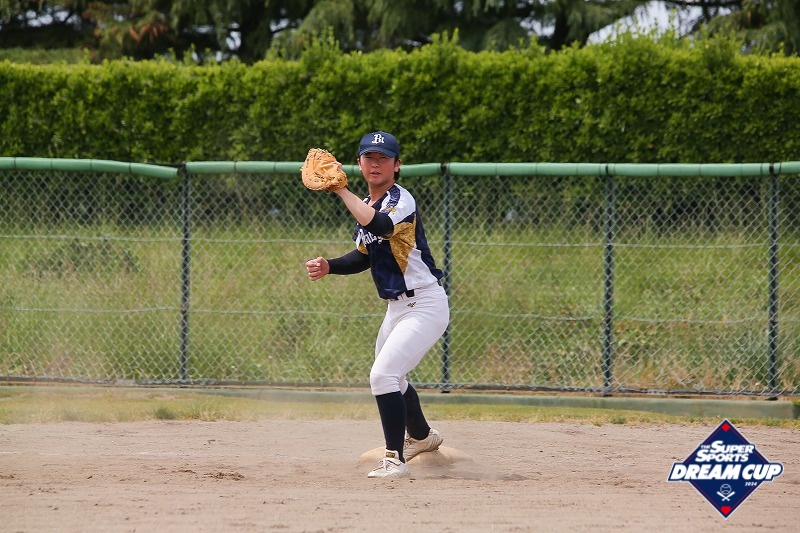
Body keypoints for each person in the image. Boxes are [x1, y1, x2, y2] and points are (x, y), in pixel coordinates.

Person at [305, 131, 449, 479]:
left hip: (425, 304)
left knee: (382, 375)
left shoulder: (401, 200)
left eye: (383, 158)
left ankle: (394, 460)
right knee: (393, 378)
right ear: (359, 163)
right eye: (369, 157)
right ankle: (423, 437)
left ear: (397, 165)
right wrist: (329, 266)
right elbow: (364, 255)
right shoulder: (367, 205)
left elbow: (382, 227)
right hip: (397, 309)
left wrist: (341, 190)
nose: (375, 163)